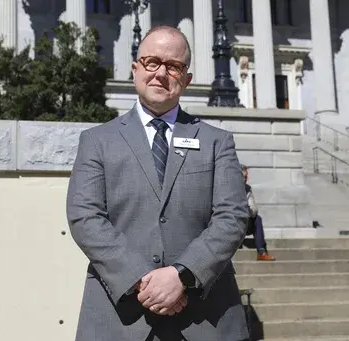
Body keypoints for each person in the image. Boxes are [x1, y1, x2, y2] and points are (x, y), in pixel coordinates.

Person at [66, 26, 250, 340]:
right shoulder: (97, 141)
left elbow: (232, 217)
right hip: (119, 317)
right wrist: (144, 280)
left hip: (205, 319)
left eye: (174, 66)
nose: (161, 73)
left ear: (187, 79)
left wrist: (183, 275)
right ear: (135, 69)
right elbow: (85, 218)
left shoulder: (217, 142)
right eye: (152, 62)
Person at [242, 165, 276, 261]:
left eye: (246, 176)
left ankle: (261, 252)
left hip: (244, 223)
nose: (246, 179)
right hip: (231, 225)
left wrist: (246, 208)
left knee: (258, 219)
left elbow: (254, 210)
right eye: (244, 176)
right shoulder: (229, 189)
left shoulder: (248, 189)